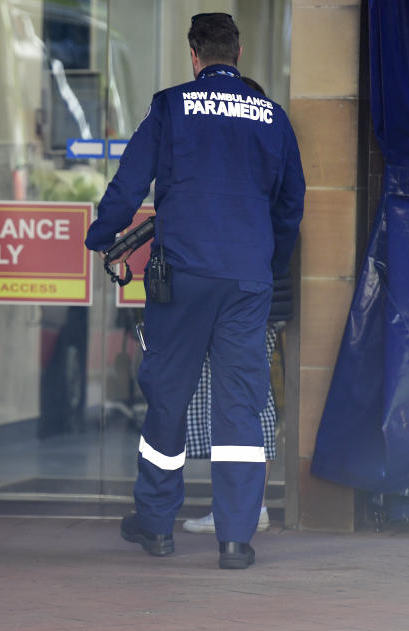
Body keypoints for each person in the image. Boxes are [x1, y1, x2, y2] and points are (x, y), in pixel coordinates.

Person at [84, 14, 305, 569]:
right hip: (247, 278)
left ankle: (157, 526)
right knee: (240, 404)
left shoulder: (170, 106)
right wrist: (270, 263)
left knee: (168, 396)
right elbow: (291, 203)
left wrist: (102, 233)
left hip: (181, 277)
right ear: (239, 51)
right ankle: (235, 539)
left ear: (193, 53)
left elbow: (130, 180)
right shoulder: (272, 117)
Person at [182, 77, 289, 535]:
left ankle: (247, 508)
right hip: (258, 294)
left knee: (246, 400)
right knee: (237, 399)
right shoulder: (268, 151)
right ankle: (241, 506)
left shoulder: (248, 161)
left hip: (250, 297)